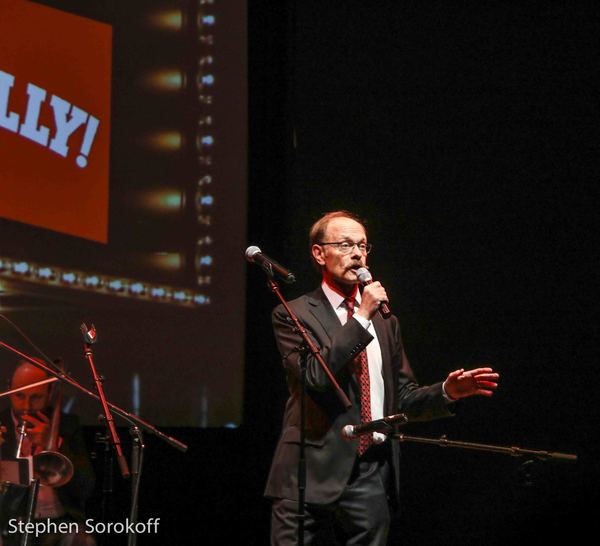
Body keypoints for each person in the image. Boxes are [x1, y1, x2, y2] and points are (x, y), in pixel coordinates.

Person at [265, 211, 500, 545]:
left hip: (371, 472)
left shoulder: (387, 322)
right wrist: (361, 317)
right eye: (345, 244)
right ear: (319, 253)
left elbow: (402, 398)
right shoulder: (293, 313)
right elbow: (316, 377)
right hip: (309, 471)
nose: (358, 254)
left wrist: (447, 391)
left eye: (362, 245)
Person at [0, 360, 96, 546]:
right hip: (9, 519)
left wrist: (55, 446)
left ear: (50, 394)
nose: (26, 406)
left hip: (60, 522)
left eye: (36, 397)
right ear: (8, 389)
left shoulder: (68, 425)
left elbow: (86, 487)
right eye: (19, 396)